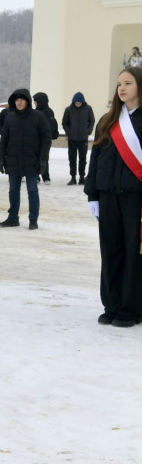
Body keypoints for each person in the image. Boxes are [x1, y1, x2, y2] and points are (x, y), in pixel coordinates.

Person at [84, 67, 142, 327]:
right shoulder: (107, 120)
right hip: (108, 197)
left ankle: (131, 308)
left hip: (136, 198)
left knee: (134, 253)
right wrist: (92, 194)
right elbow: (95, 160)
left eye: (128, 83)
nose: (121, 88)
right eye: (119, 83)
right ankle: (112, 304)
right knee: (111, 251)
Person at [0, 89, 51, 230]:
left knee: (32, 190)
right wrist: (1, 158)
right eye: (17, 100)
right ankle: (13, 217)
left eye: (22, 99)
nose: (19, 102)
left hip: (32, 160)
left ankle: (33, 219)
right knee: (13, 189)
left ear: (27, 101)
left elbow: (46, 139)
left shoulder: (38, 116)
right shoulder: (10, 117)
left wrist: (43, 159)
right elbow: (4, 139)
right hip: (13, 160)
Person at [62, 92, 95, 185]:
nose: (77, 104)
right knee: (72, 158)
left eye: (79, 102)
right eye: (76, 102)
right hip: (72, 139)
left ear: (82, 102)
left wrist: (88, 131)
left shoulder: (88, 109)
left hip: (83, 139)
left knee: (82, 159)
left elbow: (92, 121)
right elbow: (64, 123)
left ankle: (81, 177)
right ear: (73, 102)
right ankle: (73, 177)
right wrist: (69, 132)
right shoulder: (68, 110)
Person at [32, 92, 59, 184]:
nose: (34, 103)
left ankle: (46, 177)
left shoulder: (48, 111)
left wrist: (50, 134)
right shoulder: (35, 111)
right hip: (35, 139)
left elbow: (51, 125)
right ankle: (36, 176)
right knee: (35, 157)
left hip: (45, 139)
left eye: (35, 101)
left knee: (44, 157)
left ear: (40, 101)